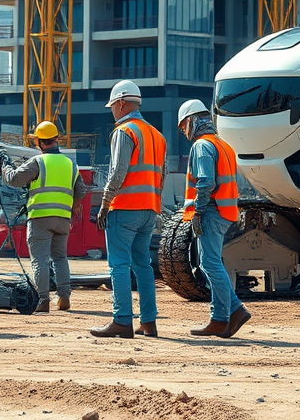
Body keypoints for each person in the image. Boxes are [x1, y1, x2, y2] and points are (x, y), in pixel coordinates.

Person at [90, 80, 166, 339]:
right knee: (143, 265)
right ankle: (148, 322)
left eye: (113, 106)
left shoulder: (125, 131)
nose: (112, 111)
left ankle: (122, 320)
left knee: (119, 265)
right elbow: (162, 176)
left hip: (124, 208)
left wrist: (104, 203)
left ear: (121, 103)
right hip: (149, 209)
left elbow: (118, 171)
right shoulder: (157, 135)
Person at [177, 98, 251, 338]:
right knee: (213, 262)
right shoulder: (223, 145)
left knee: (210, 264)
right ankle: (219, 319)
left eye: (183, 126)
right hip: (225, 211)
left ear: (191, 121)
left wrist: (197, 210)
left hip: (210, 211)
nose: (184, 132)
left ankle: (234, 310)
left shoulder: (202, 146)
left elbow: (206, 182)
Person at [3, 120, 89, 313]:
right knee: (60, 258)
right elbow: (81, 191)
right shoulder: (70, 164)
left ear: (39, 143)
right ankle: (64, 297)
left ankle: (43, 300)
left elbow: (15, 179)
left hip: (40, 218)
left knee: (40, 260)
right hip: (63, 219)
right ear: (57, 139)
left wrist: (5, 168)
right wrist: (74, 207)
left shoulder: (38, 162)